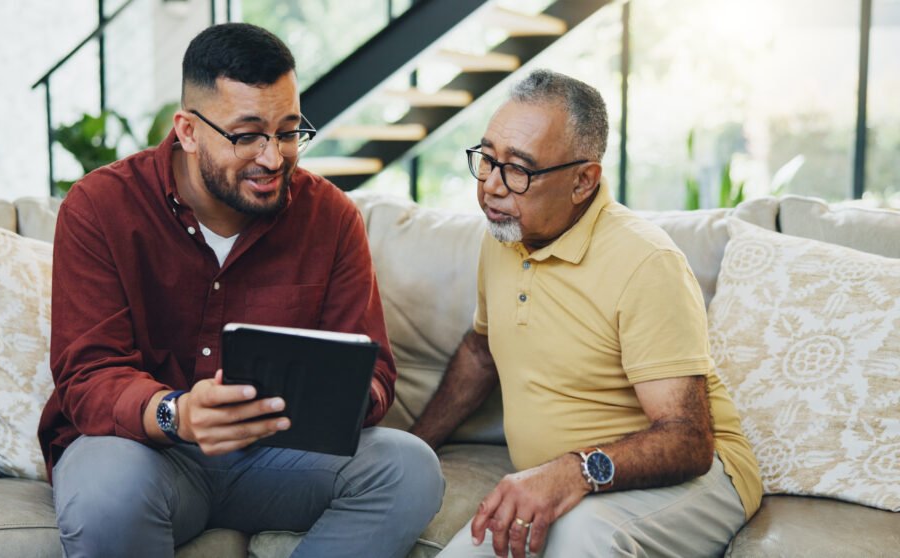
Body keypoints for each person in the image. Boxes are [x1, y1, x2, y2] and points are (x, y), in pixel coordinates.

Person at [38, 22, 443, 558]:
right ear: (187, 131)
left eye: (288, 131)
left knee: (410, 468)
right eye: (247, 134)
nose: (273, 158)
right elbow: (88, 374)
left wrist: (338, 395)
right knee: (104, 491)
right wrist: (176, 413)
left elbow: (376, 375)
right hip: (148, 453)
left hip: (280, 459)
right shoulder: (99, 207)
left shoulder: (333, 218)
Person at [409, 70, 761, 558]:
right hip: (559, 478)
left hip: (702, 478)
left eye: (518, 169)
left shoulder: (645, 262)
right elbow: (481, 351)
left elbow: (689, 441)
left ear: (582, 181)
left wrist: (572, 471)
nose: (491, 185)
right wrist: (415, 445)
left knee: (581, 539)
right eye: (487, 158)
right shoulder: (505, 236)